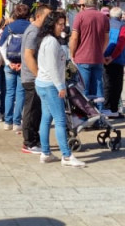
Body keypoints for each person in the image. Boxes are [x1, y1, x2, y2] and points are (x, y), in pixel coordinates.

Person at [34, 10, 86, 167]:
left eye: (64, 24)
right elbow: (52, 67)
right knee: (60, 120)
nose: (62, 27)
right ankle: (67, 156)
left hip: (43, 83)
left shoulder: (47, 40)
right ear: (52, 24)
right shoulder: (51, 42)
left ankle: (46, 152)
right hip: (50, 85)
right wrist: (60, 86)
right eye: (60, 24)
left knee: (46, 118)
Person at [68, 0, 109, 107]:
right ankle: (99, 115)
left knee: (83, 88)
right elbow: (106, 39)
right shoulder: (104, 17)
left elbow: (74, 38)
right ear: (96, 3)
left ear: (85, 4)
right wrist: (101, 51)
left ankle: (86, 114)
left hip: (82, 56)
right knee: (98, 87)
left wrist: (72, 53)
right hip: (98, 57)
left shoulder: (80, 16)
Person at [19, 4, 49, 153]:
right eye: (47, 16)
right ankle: (29, 143)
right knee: (31, 110)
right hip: (32, 77)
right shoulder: (33, 32)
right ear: (38, 16)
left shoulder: (38, 31)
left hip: (34, 76)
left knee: (36, 111)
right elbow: (28, 54)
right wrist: (38, 75)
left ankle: (34, 140)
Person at [0, 2, 31, 131]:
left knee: (9, 92)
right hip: (24, 64)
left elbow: (2, 47)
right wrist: (23, 63)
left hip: (10, 64)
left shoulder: (9, 27)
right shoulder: (31, 27)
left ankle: (8, 121)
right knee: (21, 93)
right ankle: (17, 122)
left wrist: (8, 63)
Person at [103, 7, 125, 120]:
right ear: (120, 16)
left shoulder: (106, 24)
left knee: (106, 84)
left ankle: (105, 108)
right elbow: (121, 43)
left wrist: (103, 56)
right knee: (116, 85)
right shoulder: (123, 26)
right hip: (117, 60)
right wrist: (113, 57)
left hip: (104, 58)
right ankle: (113, 110)